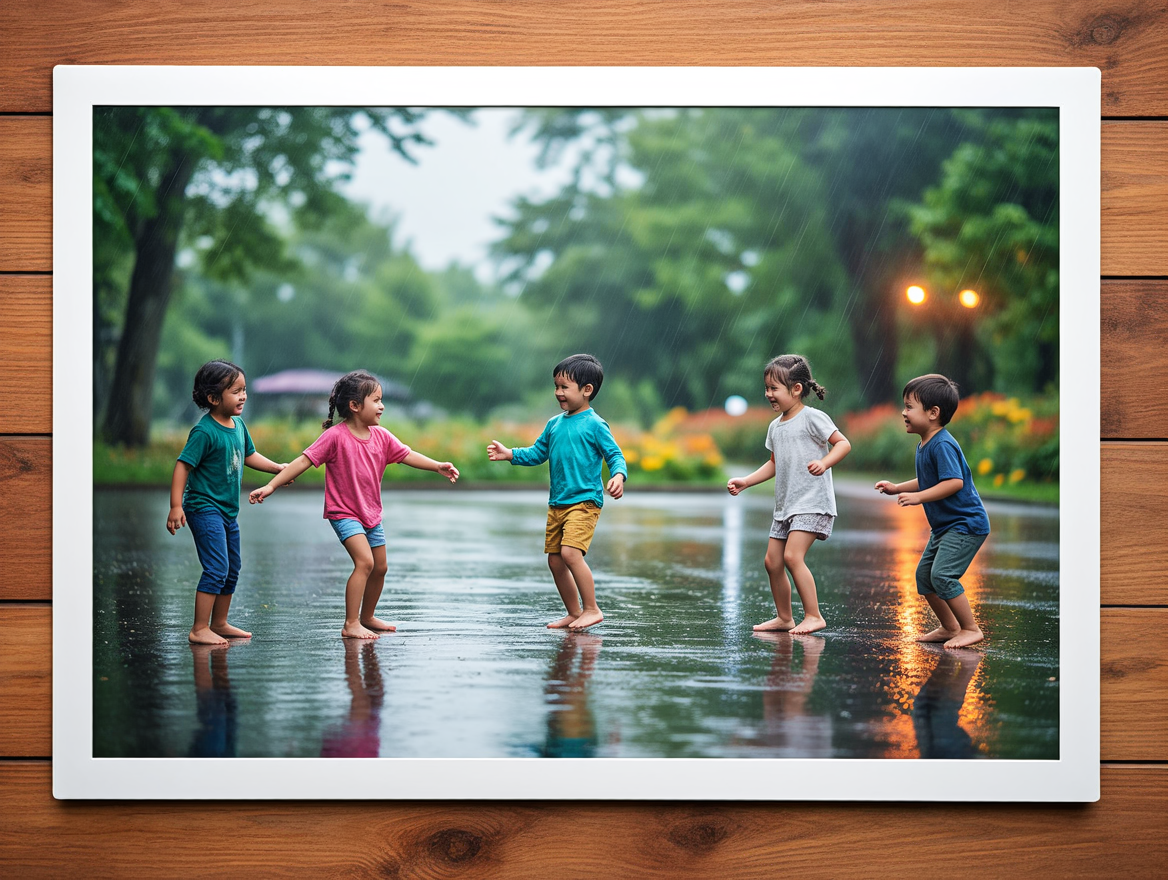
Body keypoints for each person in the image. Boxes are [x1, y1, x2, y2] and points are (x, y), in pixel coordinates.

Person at [249, 370, 459, 640]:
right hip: (344, 513)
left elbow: (407, 454)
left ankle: (367, 616)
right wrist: (271, 485)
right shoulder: (335, 437)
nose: (382, 405)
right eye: (376, 400)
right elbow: (303, 461)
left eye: (382, 399)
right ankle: (351, 623)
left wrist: (437, 466)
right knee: (364, 563)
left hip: (371, 514)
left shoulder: (381, 436)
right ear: (355, 406)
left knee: (380, 567)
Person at [487, 353, 627, 631]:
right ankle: (574, 613)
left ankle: (592, 609)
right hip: (558, 503)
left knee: (571, 553)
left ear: (587, 390)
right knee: (555, 560)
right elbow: (538, 453)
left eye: (564, 387)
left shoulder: (595, 424)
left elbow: (615, 455)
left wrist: (619, 476)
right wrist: (510, 454)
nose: (558, 392)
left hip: (585, 501)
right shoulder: (554, 424)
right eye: (556, 386)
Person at [727, 354, 851, 634]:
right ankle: (784, 617)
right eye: (767, 388)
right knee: (772, 562)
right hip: (786, 505)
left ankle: (814, 615)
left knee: (793, 557)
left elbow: (843, 444)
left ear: (796, 389)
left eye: (774, 389)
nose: (768, 394)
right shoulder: (775, 426)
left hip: (812, 502)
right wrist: (746, 481)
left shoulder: (813, 418)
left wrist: (824, 462)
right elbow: (773, 463)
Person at [167, 359, 288, 645]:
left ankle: (219, 623)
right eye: (236, 391)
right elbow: (183, 466)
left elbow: (249, 455)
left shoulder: (238, 426)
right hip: (203, 507)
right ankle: (199, 628)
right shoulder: (204, 431)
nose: (243, 396)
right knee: (216, 567)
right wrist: (176, 505)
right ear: (213, 398)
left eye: (244, 389)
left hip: (227, 512)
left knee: (232, 568)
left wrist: (277, 469)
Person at [875, 373, 990, 649]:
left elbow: (953, 483)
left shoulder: (943, 444)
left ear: (933, 413)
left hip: (965, 524)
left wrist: (917, 498)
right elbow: (930, 479)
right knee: (924, 578)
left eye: (909, 406)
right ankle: (950, 627)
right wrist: (896, 487)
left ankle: (970, 628)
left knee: (942, 576)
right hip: (946, 527)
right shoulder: (925, 443)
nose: (903, 412)